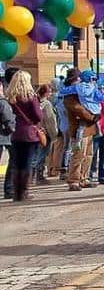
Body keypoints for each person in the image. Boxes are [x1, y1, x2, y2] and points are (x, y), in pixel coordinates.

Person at [7, 71, 43, 202]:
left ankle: (16, 193)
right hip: (29, 134)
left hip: (15, 133)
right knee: (27, 163)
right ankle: (24, 192)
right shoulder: (31, 97)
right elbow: (38, 116)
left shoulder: (10, 97)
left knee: (17, 163)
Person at [31, 85, 58, 185]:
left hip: (35, 132)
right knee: (42, 155)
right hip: (44, 133)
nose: (50, 94)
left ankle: (31, 177)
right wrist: (54, 134)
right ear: (46, 93)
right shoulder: (46, 104)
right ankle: (39, 177)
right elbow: (50, 121)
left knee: (34, 155)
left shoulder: (34, 102)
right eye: (49, 92)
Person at [2, 67, 19, 199]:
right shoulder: (10, 94)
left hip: (8, 132)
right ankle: (9, 189)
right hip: (8, 133)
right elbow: (7, 115)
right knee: (14, 160)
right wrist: (10, 127)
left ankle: (10, 188)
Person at [0, 81, 17, 198]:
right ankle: (9, 189)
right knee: (14, 160)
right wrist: (12, 129)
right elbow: (8, 119)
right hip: (4, 136)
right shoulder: (2, 102)